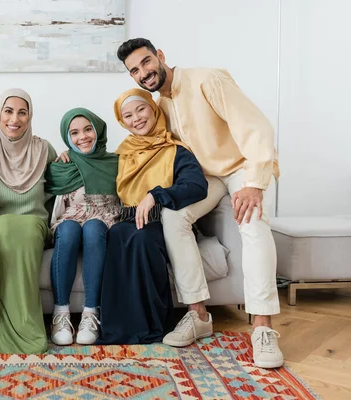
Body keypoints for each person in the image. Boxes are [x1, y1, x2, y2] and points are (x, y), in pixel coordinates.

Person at [117, 38, 283, 368]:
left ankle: (263, 327)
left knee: (251, 222)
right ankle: (198, 314)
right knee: (173, 218)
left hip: (241, 167)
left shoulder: (207, 79)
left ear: (160, 56)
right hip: (205, 178)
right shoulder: (157, 105)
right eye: (134, 70)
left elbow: (255, 125)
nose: (143, 72)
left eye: (147, 62)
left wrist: (254, 184)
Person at [96, 88, 208, 345]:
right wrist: (65, 157)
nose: (136, 118)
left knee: (142, 239)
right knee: (117, 234)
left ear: (153, 108)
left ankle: (152, 327)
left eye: (141, 109)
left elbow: (197, 186)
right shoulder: (123, 153)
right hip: (128, 220)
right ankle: (118, 329)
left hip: (163, 221)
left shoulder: (176, 150)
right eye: (128, 115)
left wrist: (156, 195)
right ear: (122, 122)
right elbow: (88, 163)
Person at [0, 88, 57, 354]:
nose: (14, 118)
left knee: (19, 228)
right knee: (0, 229)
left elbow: (61, 188)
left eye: (22, 112)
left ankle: (26, 326)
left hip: (34, 225)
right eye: (8, 111)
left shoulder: (44, 149)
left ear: (30, 117)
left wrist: (70, 158)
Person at [44, 108, 120, 345]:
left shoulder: (116, 162)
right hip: (70, 219)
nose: (83, 137)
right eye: (74, 133)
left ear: (97, 130)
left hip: (103, 220)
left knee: (93, 227)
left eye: (88, 129)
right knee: (69, 230)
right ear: (67, 138)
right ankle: (61, 313)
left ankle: (90, 313)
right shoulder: (61, 165)